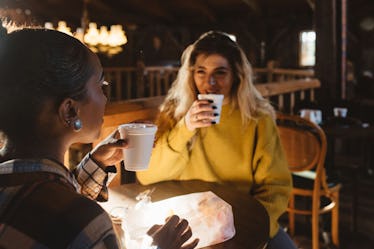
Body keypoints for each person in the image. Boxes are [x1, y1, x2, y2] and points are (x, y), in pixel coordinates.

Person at [0, 27, 198, 249]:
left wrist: (96, 163)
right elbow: (64, 214)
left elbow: (42, 198)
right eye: (100, 86)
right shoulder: (86, 224)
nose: (105, 99)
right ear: (69, 111)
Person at [137, 31, 296, 248]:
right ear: (190, 74)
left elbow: (275, 188)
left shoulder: (257, 119)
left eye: (220, 72)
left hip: (240, 221)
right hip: (186, 221)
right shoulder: (175, 113)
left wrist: (246, 226)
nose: (209, 82)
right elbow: (147, 176)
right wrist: (186, 127)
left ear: (236, 76)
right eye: (201, 72)